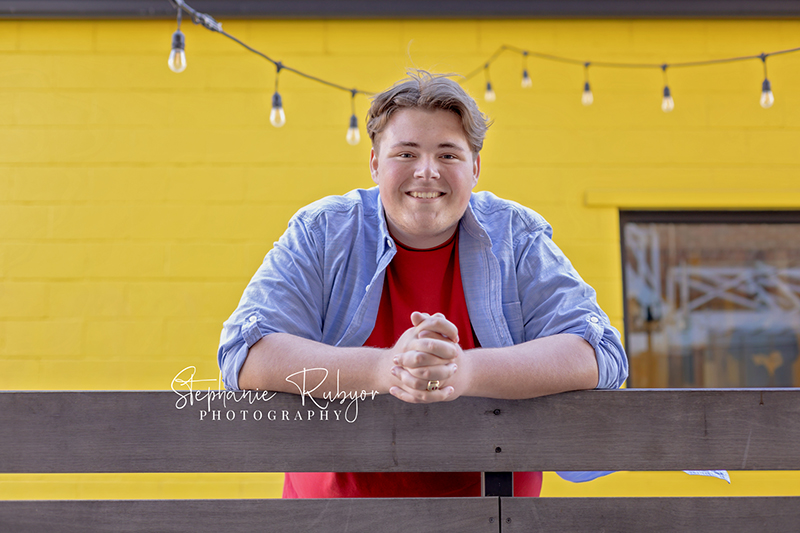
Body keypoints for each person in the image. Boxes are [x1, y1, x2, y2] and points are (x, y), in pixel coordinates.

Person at [217, 70, 628, 498]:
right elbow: (245, 353)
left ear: (476, 168)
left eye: (448, 155)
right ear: (375, 163)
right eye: (406, 154)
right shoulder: (323, 231)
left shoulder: (515, 235)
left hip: (495, 517)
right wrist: (387, 368)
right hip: (332, 517)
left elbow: (598, 352)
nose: (427, 172)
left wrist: (463, 371)